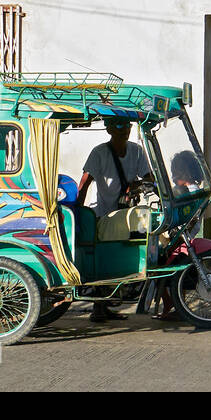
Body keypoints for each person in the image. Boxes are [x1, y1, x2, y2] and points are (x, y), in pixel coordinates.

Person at [77, 116, 152, 322]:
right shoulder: (99, 153)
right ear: (109, 129)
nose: (124, 129)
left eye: (127, 125)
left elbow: (149, 178)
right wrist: (79, 214)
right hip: (101, 213)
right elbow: (84, 184)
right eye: (119, 125)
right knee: (104, 260)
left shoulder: (136, 151)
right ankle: (99, 307)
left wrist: (135, 186)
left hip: (124, 212)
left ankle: (109, 301)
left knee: (127, 251)